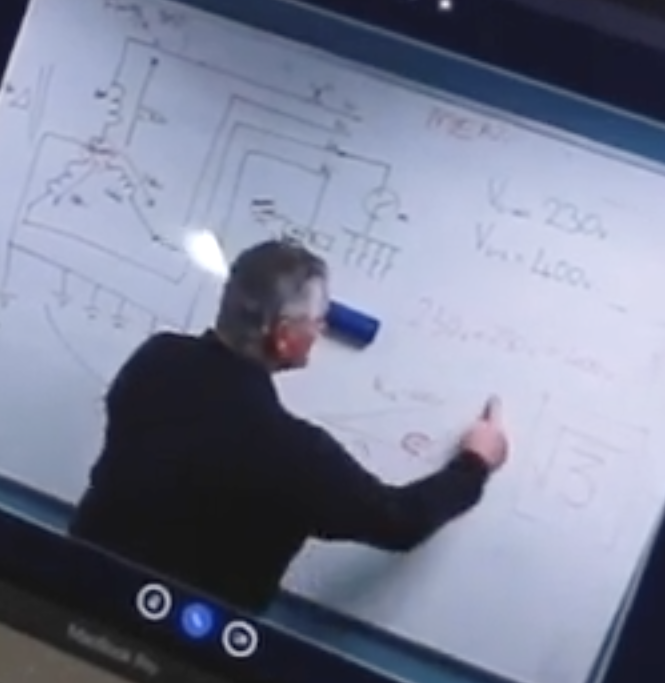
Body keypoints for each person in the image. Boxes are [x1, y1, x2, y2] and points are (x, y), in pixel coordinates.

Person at [66, 239, 508, 614]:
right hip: (184, 647)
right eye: (317, 323)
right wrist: (474, 464)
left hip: (68, 587)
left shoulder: (155, 359)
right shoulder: (293, 453)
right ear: (283, 337)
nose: (320, 331)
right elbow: (398, 523)